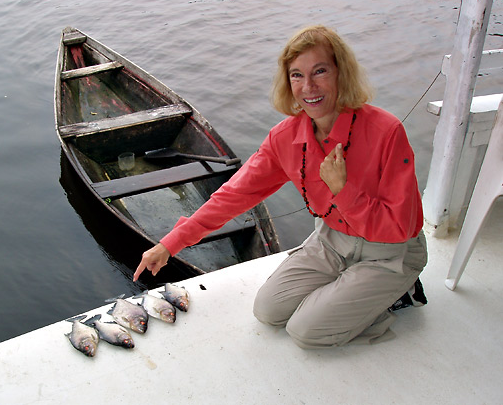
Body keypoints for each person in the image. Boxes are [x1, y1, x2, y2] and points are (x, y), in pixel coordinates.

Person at [133, 24, 428, 348]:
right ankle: (350, 292)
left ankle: (398, 293)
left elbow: (401, 227)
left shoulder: (386, 131)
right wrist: (171, 243)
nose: (308, 86)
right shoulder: (285, 138)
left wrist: (343, 191)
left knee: (307, 332)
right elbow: (233, 196)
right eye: (297, 75)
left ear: (341, 73)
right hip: (332, 241)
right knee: (268, 311)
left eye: (320, 71)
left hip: (388, 252)